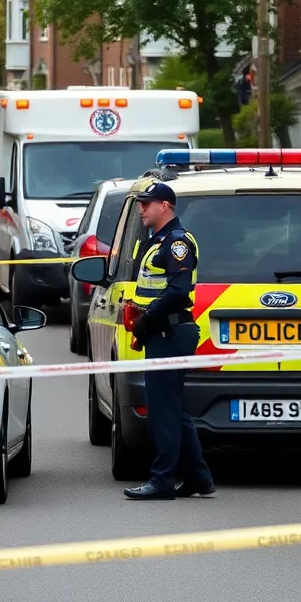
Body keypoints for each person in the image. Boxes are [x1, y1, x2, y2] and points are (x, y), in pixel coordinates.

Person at [122, 182, 216, 501]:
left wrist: (148, 319)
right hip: (163, 331)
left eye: (146, 204)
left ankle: (162, 480)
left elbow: (177, 291)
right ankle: (199, 478)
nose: (141, 209)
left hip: (169, 332)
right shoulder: (158, 241)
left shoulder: (177, 242)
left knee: (162, 410)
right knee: (173, 410)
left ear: (164, 206)